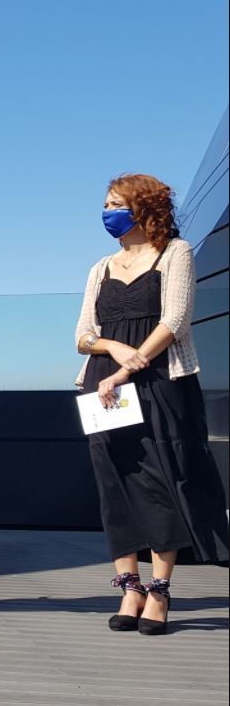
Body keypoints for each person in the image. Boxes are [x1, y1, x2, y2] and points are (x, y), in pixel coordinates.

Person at [75, 173, 229, 635]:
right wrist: (111, 349)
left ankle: (159, 591)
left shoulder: (175, 252)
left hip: (160, 379)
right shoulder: (101, 267)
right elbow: (83, 335)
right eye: (106, 204)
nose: (107, 212)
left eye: (116, 204)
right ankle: (130, 588)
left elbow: (176, 320)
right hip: (102, 384)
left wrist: (128, 366)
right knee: (114, 482)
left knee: (161, 479)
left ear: (144, 207)